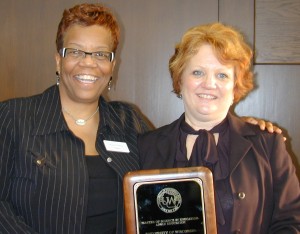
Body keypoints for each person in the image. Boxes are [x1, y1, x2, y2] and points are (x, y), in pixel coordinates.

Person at [0, 3, 284, 234]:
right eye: (75, 51)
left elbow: (178, 151)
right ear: (58, 59)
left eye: (100, 54)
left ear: (112, 65)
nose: (88, 62)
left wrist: (239, 128)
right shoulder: (14, 118)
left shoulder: (128, 123)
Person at [138, 22, 300, 233]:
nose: (209, 83)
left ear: (235, 86)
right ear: (180, 79)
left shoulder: (268, 144)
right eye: (197, 72)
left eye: (222, 75)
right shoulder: (145, 146)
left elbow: (291, 222)